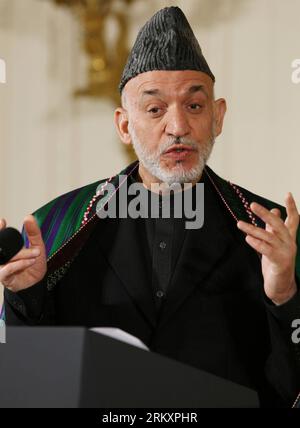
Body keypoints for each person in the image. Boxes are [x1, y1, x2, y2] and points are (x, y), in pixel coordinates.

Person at [1, 7, 300, 408]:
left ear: (218, 116)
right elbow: (31, 379)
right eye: (155, 109)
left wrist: (284, 293)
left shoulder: (271, 235)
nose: (177, 126)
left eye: (195, 106)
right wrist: (26, 296)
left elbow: (288, 385)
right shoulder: (61, 226)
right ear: (125, 125)